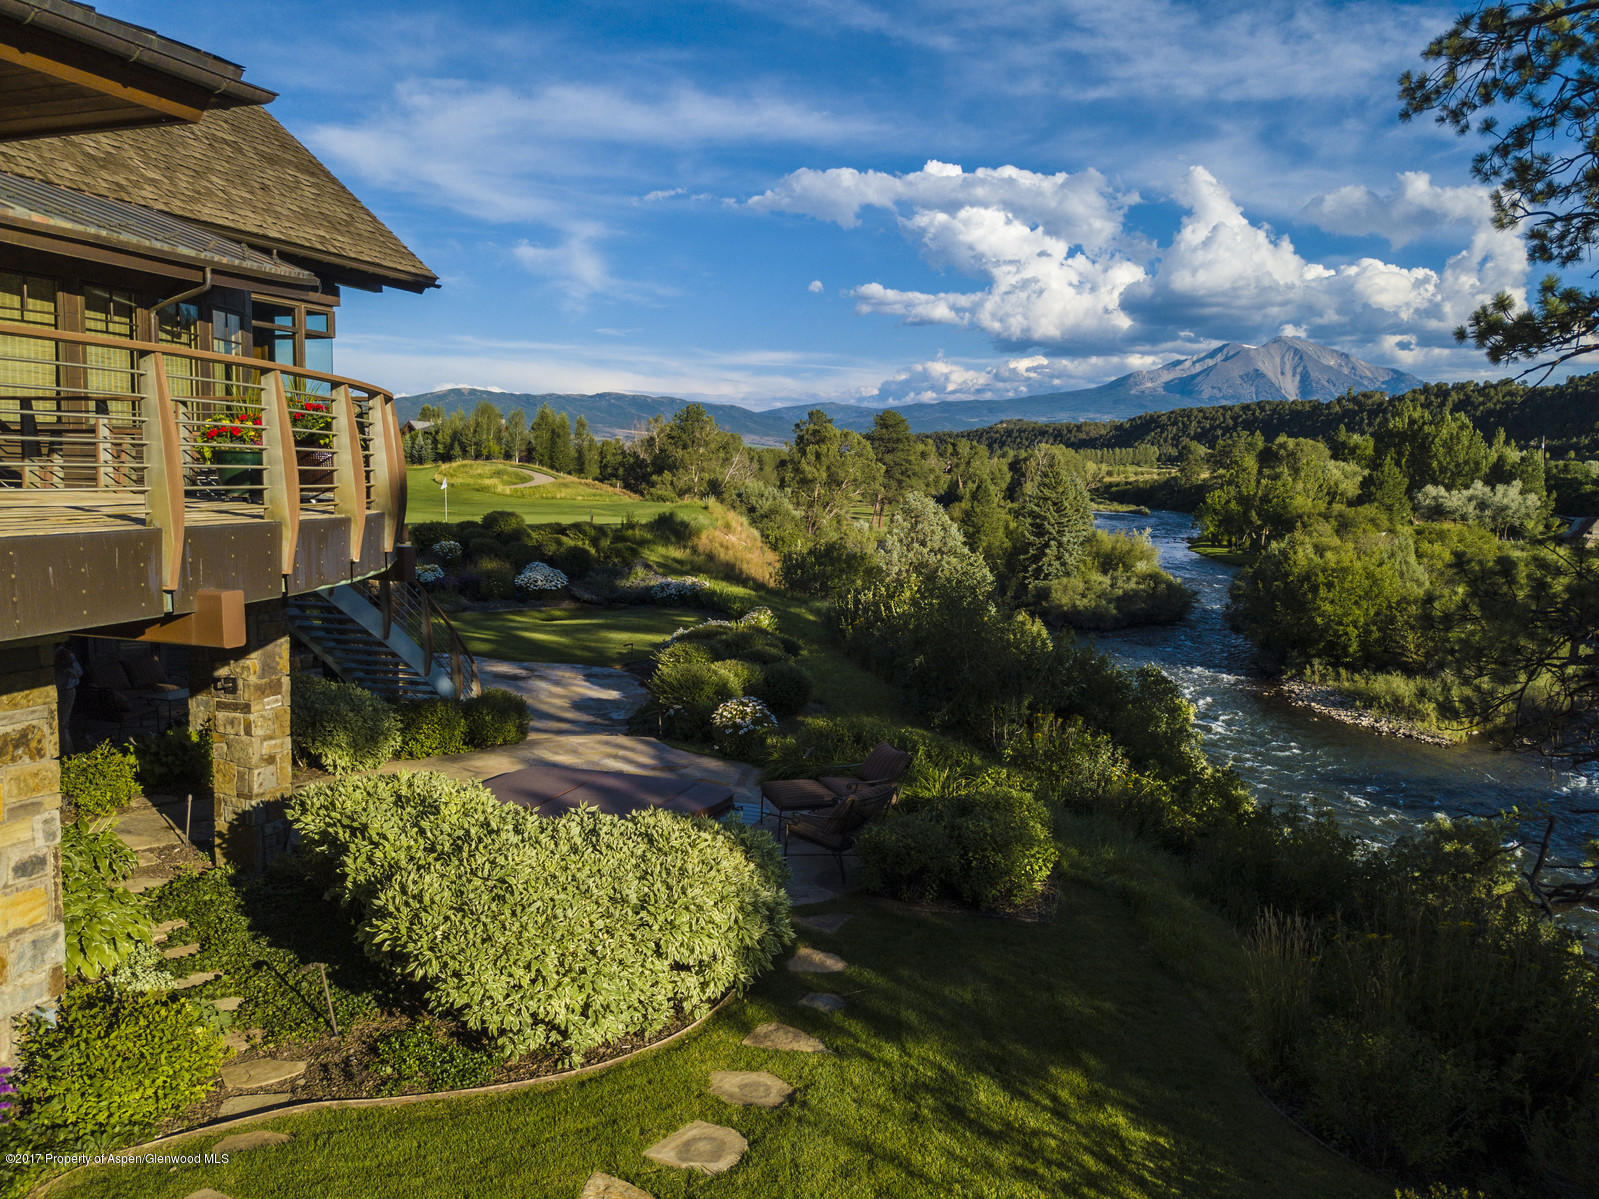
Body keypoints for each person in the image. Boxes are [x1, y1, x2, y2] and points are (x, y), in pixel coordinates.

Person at [53, 643, 82, 755]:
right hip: (57, 690)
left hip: (66, 690)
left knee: (63, 724)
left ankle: (68, 752)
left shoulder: (66, 654)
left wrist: (68, 667)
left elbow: (78, 672)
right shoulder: (53, 655)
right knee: (60, 724)